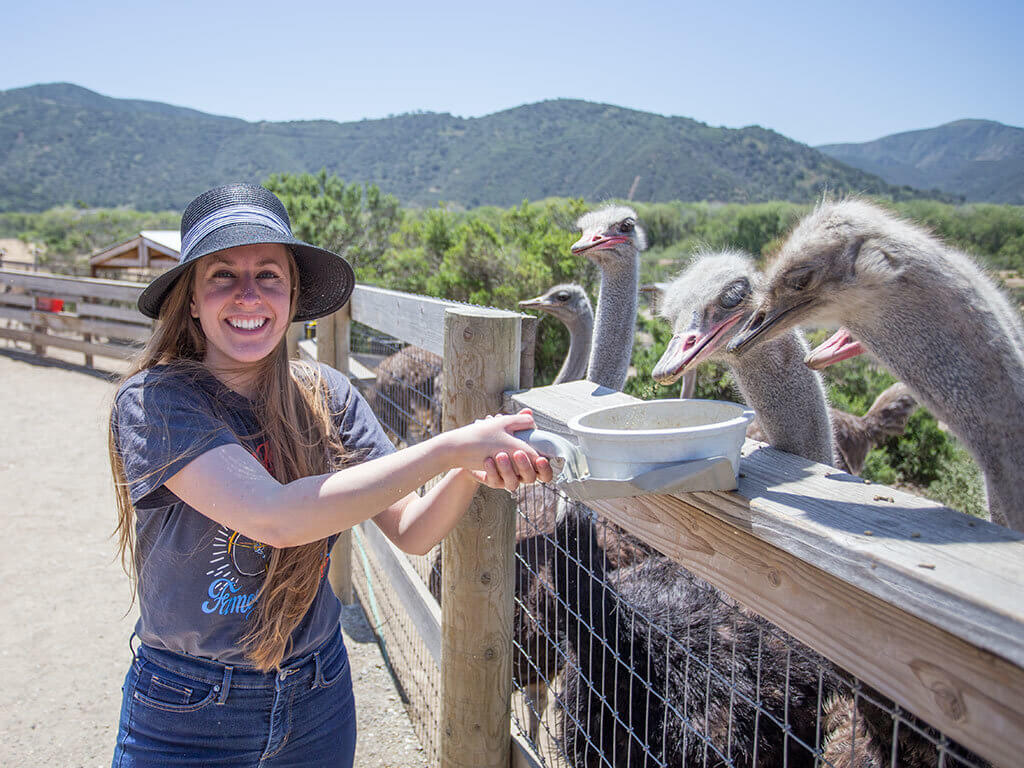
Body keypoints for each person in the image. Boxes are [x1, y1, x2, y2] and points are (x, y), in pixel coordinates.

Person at [108, 183, 552, 767]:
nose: (249, 295)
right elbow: (276, 518)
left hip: (316, 695)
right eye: (222, 276)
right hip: (190, 707)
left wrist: (471, 467)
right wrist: (449, 449)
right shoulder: (156, 401)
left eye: (269, 275)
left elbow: (413, 530)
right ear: (191, 300)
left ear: (292, 295)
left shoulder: (326, 397)